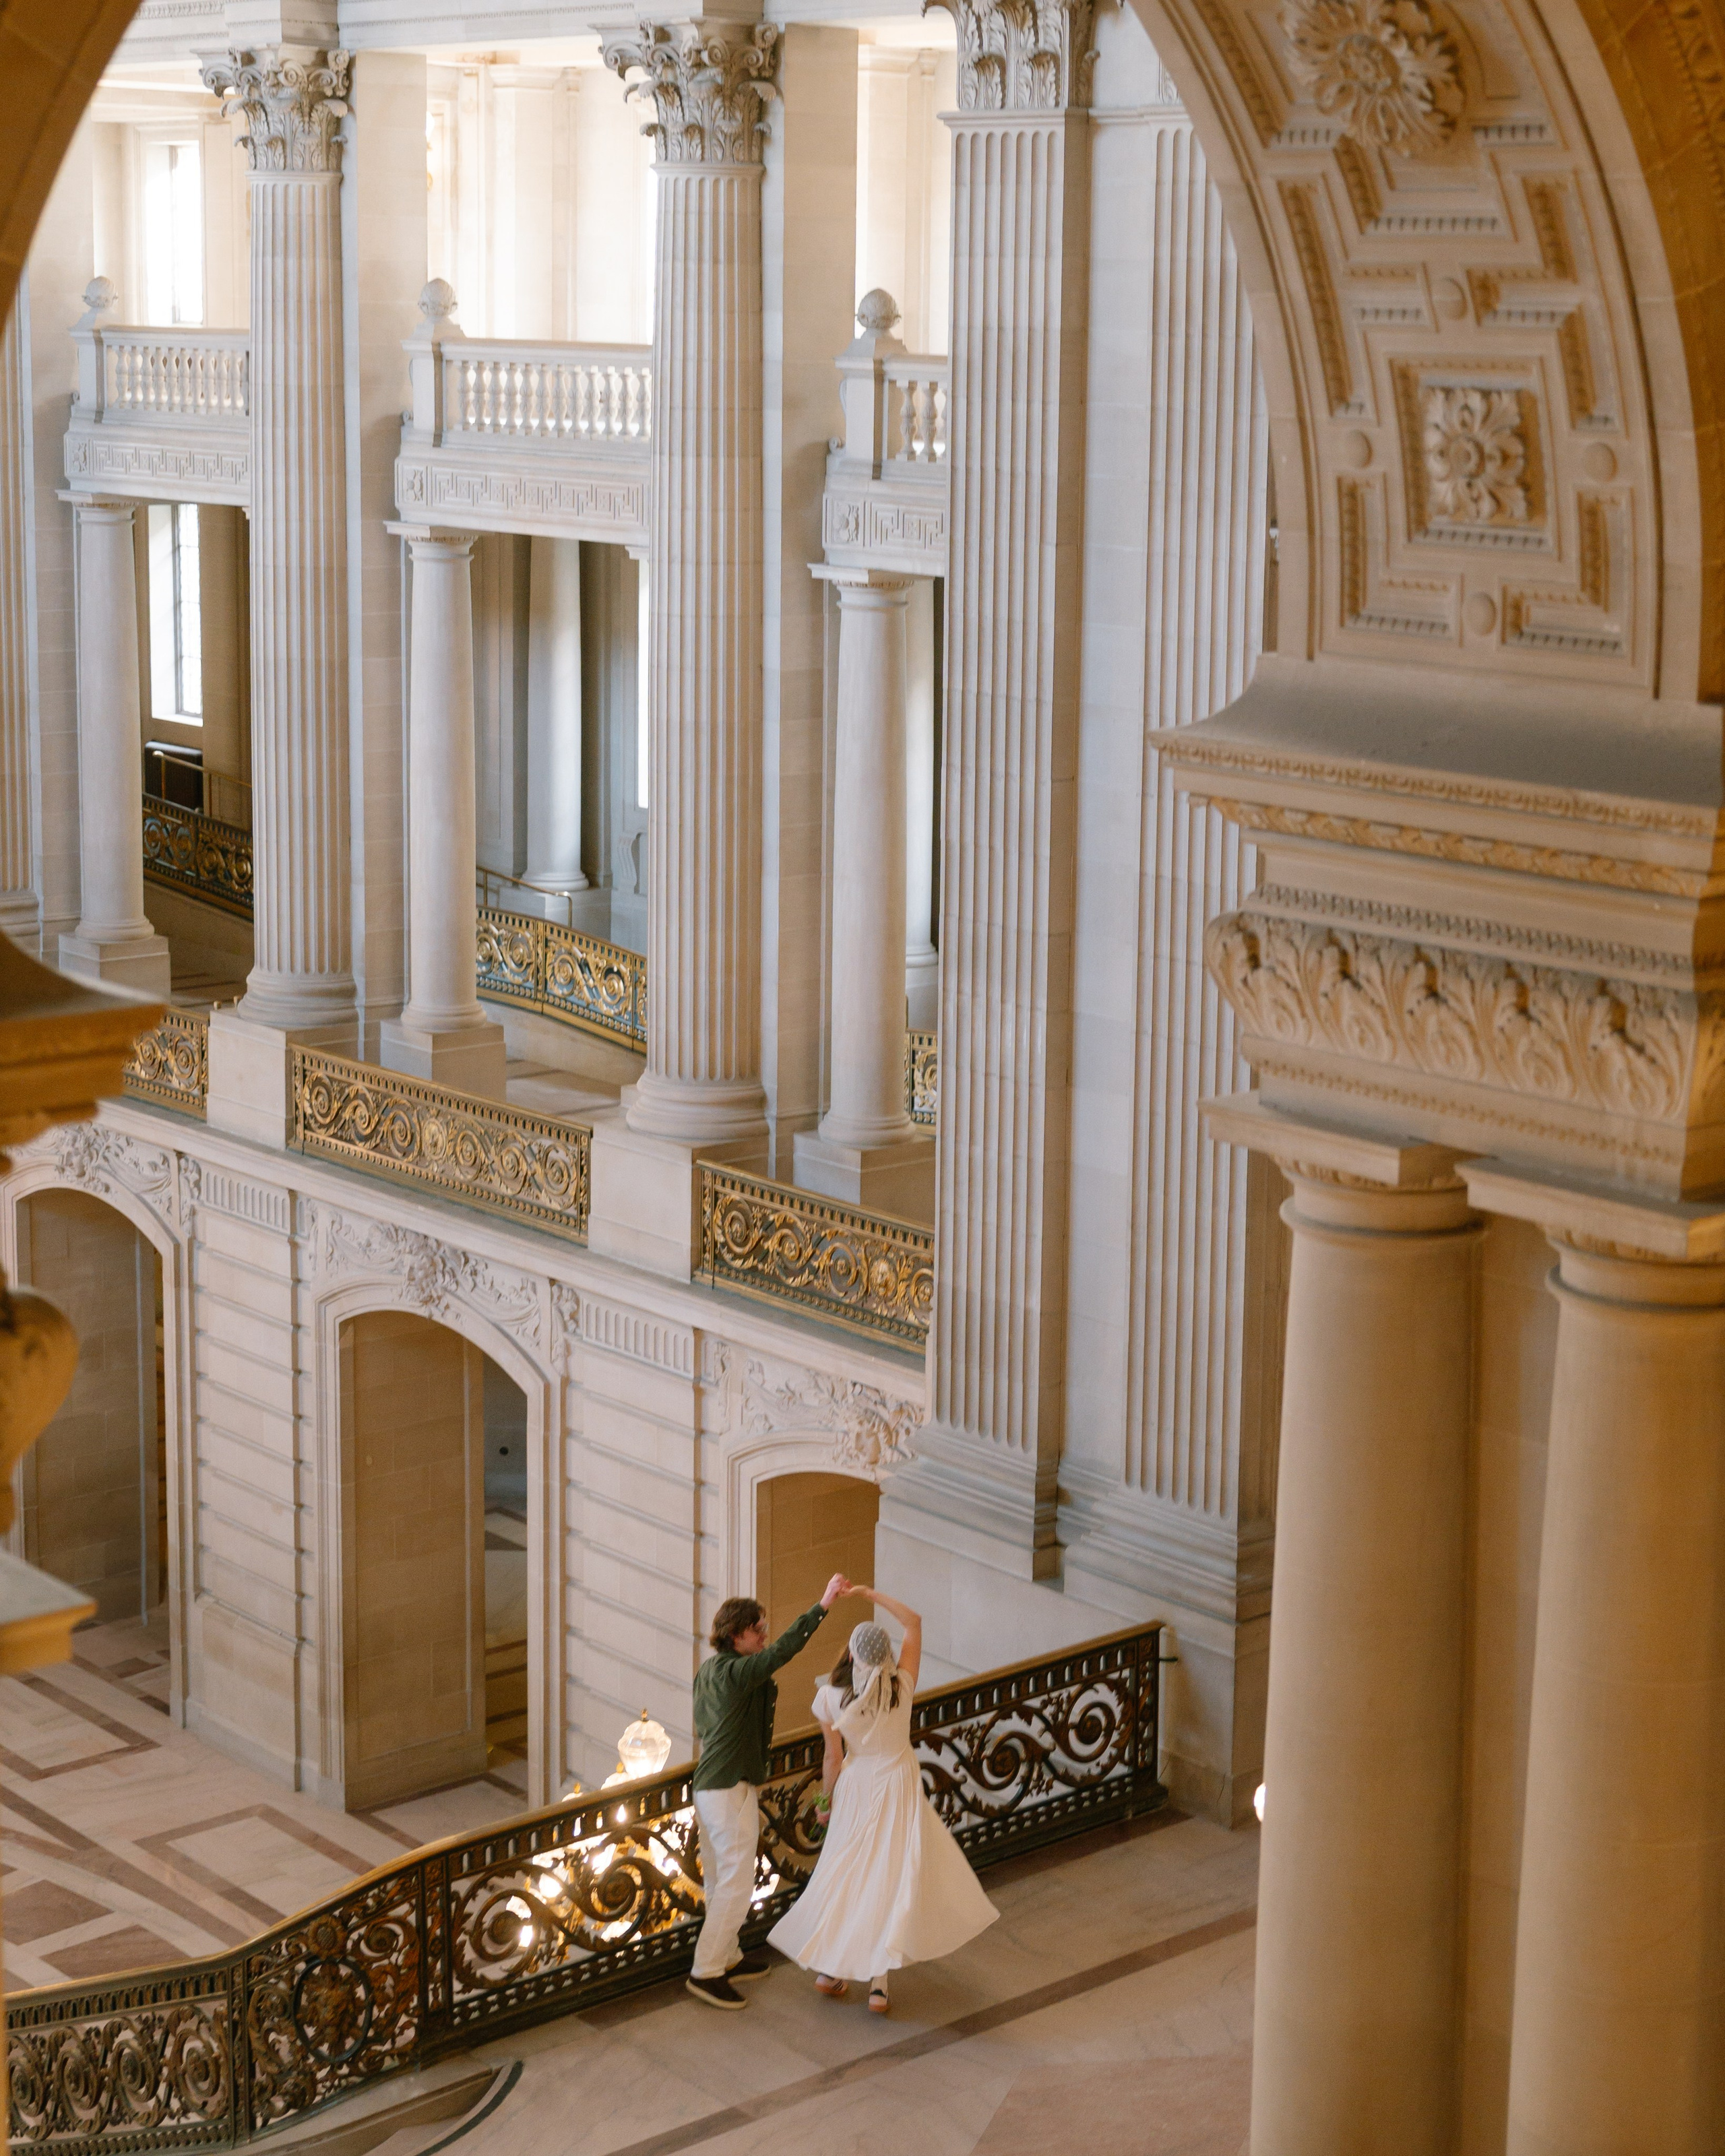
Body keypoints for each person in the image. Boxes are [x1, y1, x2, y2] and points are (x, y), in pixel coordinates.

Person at [767, 1585, 998, 2015]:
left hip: (856, 1787)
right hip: (898, 1783)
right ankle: (878, 1987)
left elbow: (833, 1758)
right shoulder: (902, 1686)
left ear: (852, 1656)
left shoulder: (830, 1698)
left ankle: (830, 1970)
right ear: (886, 1656)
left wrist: (824, 1803)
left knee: (849, 1872)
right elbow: (914, 1622)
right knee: (889, 1878)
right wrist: (869, 1595)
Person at [686, 1573, 851, 2009]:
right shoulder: (737, 1671)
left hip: (711, 1786)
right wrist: (823, 1604)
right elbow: (783, 1652)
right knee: (737, 1881)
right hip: (729, 1787)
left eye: (764, 1628)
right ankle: (706, 1972)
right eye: (757, 1629)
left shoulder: (710, 1671)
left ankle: (727, 1957)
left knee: (721, 1880)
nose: (764, 1636)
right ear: (736, 1634)